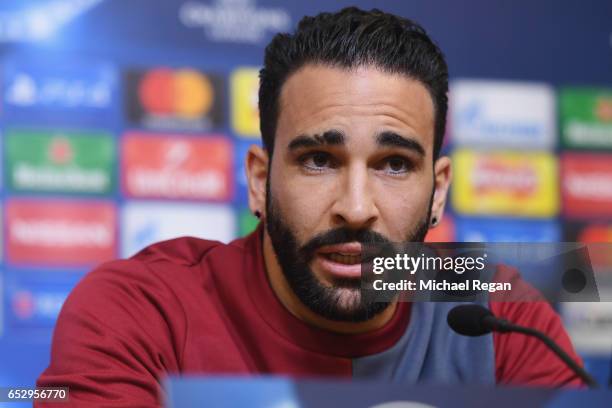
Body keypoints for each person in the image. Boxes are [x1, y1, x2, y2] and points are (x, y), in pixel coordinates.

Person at [37, 7, 583, 407]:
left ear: (438, 190)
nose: (355, 207)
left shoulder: (503, 314)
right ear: (259, 180)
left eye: (394, 164)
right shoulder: (139, 311)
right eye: (319, 159)